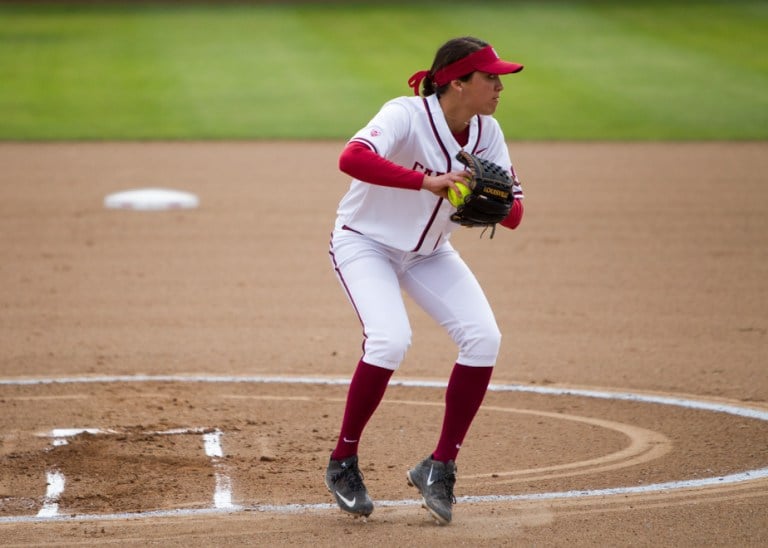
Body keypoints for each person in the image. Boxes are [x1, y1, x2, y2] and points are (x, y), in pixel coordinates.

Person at [324, 36, 525, 525]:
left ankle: (440, 466)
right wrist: (426, 180)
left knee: (484, 338)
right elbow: (351, 158)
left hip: (430, 254)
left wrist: (485, 194)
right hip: (365, 243)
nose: (500, 86)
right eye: (490, 77)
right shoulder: (405, 115)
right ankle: (342, 460)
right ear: (458, 83)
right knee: (390, 341)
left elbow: (515, 212)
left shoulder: (487, 131)